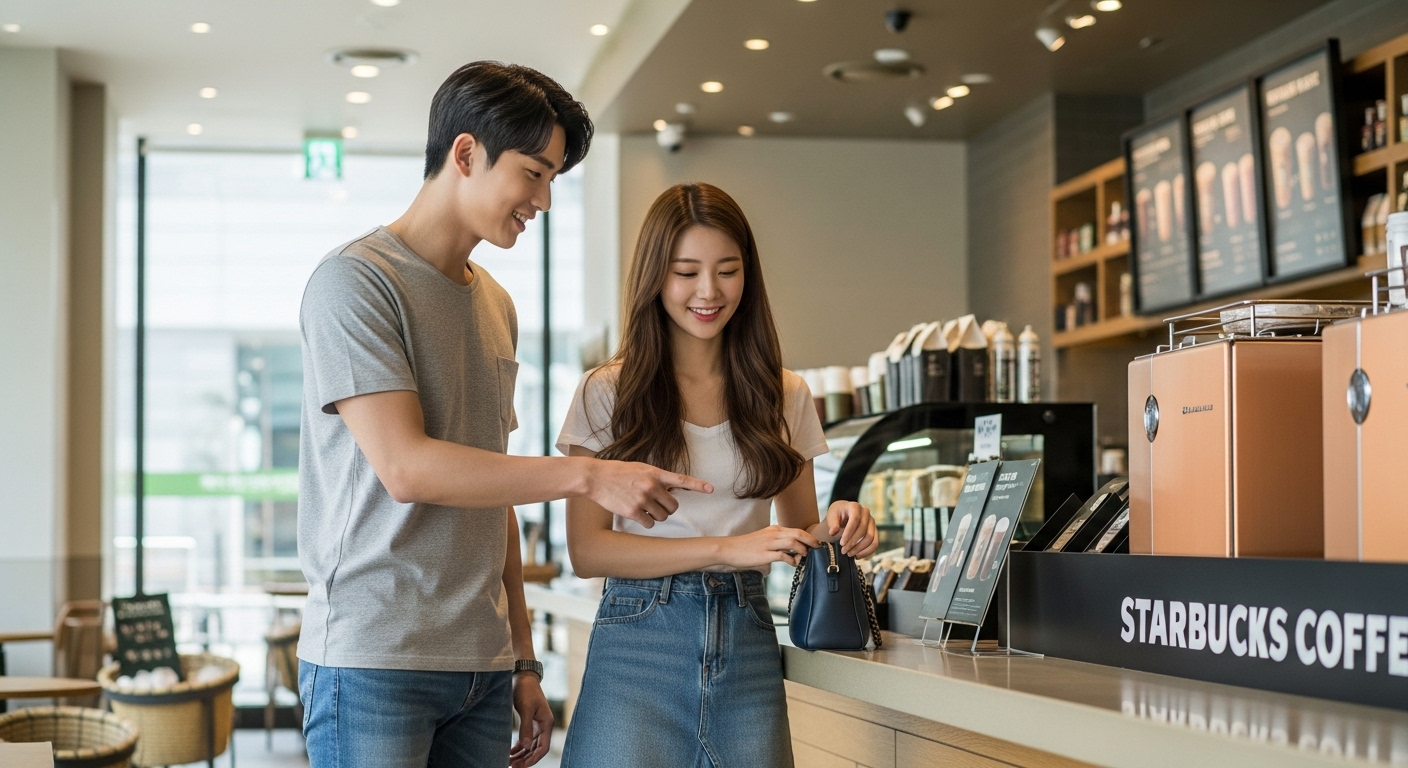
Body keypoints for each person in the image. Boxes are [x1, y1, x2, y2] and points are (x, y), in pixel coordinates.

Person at [295, 62, 712, 768]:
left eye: (553, 179)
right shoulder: (355, 282)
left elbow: (497, 495)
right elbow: (407, 468)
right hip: (373, 662)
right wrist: (588, 477)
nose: (543, 199)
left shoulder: (496, 304)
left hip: (482, 669)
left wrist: (521, 658)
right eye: (533, 173)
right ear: (465, 154)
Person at [557, 183, 879, 767]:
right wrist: (728, 549)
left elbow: (799, 531)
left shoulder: (784, 393)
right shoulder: (608, 392)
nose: (709, 291)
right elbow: (588, 550)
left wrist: (838, 525)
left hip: (747, 640)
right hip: (637, 643)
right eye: (686, 272)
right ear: (655, 277)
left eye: (728, 271)